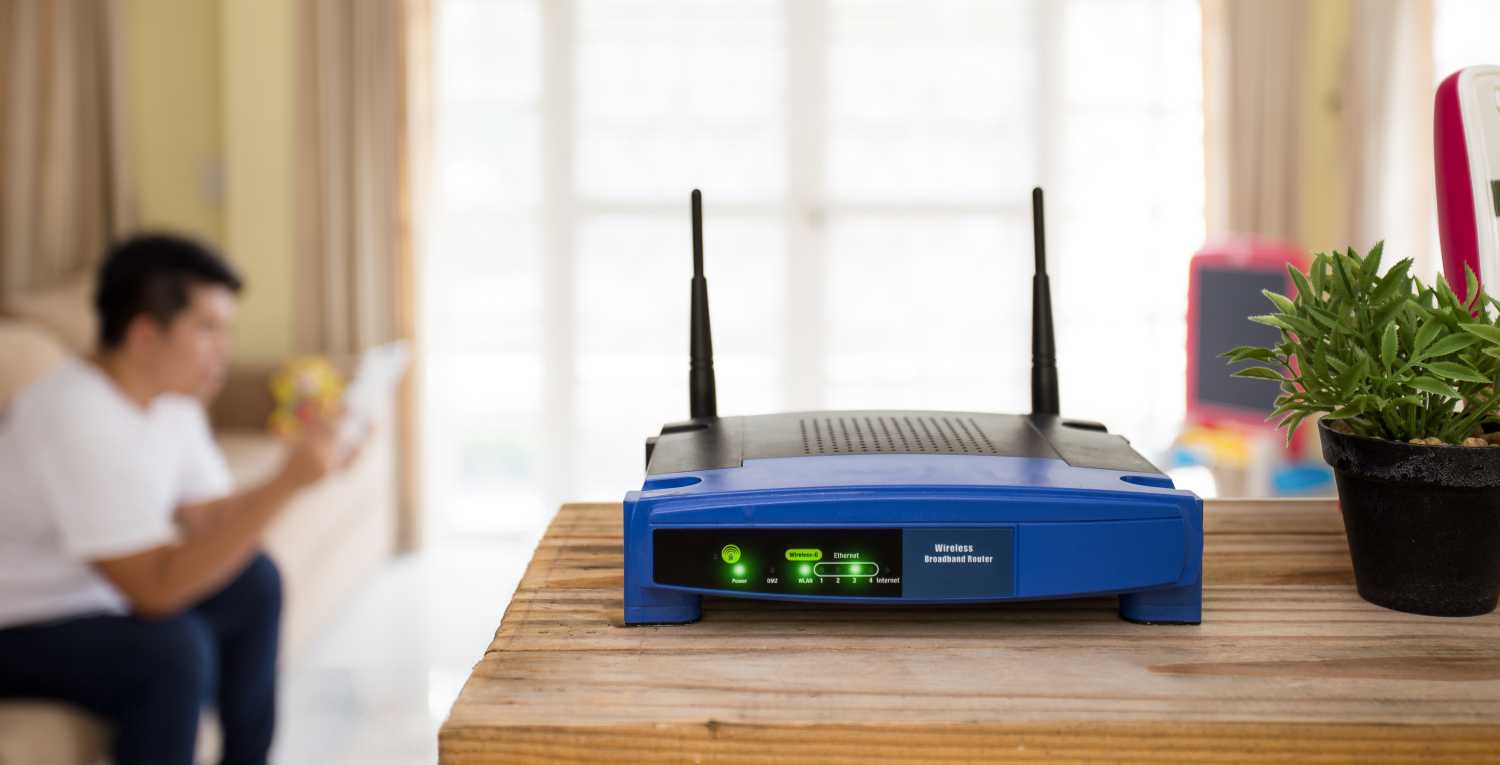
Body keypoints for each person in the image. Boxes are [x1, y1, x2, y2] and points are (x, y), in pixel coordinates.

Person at [0, 234, 354, 765]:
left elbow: (209, 516)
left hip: (94, 600)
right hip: (19, 624)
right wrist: (286, 484)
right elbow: (155, 591)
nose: (224, 350)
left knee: (255, 581)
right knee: (171, 650)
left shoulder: (171, 401)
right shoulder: (74, 416)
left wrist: (305, 469)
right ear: (145, 335)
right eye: (207, 329)